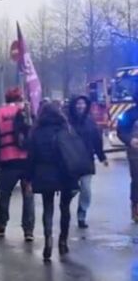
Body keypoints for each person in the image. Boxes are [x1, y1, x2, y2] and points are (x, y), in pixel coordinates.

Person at [26, 103, 79, 261]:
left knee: (47, 208)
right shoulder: (65, 130)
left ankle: (48, 238)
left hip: (44, 173)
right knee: (65, 208)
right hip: (64, 174)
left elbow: (31, 158)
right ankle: (63, 241)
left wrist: (28, 179)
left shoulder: (36, 132)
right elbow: (72, 154)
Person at [0, 87, 34, 241]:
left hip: (7, 160)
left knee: (5, 194)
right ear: (19, 98)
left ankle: (1, 225)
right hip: (26, 160)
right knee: (28, 195)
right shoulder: (26, 111)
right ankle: (28, 230)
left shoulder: (0, 113)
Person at [67, 95, 107, 229]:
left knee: (86, 189)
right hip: (70, 160)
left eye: (83, 104)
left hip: (86, 160)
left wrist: (102, 157)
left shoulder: (90, 122)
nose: (80, 106)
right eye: (78, 103)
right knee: (71, 189)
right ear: (74, 105)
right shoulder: (67, 122)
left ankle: (82, 214)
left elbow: (97, 140)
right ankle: (65, 208)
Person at [115, 90, 138, 221]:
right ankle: (136, 207)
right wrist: (130, 140)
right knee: (137, 180)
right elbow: (121, 131)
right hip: (135, 153)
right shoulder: (130, 114)